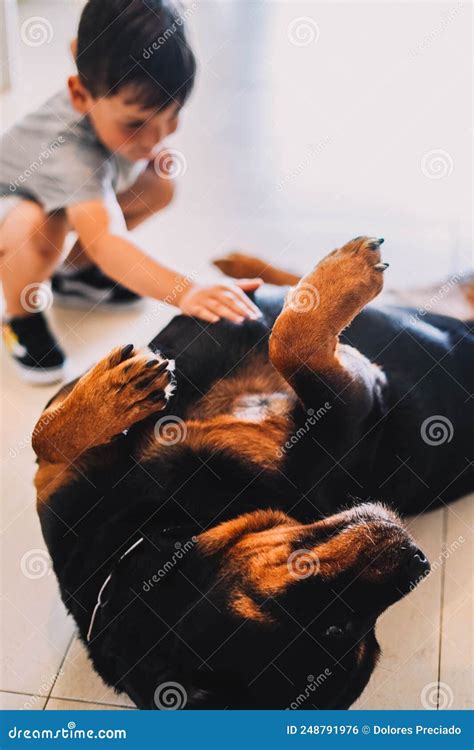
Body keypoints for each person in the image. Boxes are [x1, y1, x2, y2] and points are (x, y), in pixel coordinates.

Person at [0, 0, 262, 384]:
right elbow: (108, 240)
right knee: (37, 228)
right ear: (79, 96)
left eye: (171, 117)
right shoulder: (69, 151)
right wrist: (186, 292)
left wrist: (143, 143)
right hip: (12, 211)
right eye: (137, 124)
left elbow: (131, 157)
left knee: (159, 185)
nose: (154, 138)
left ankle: (78, 276)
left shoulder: (113, 103)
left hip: (66, 197)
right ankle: (20, 317)